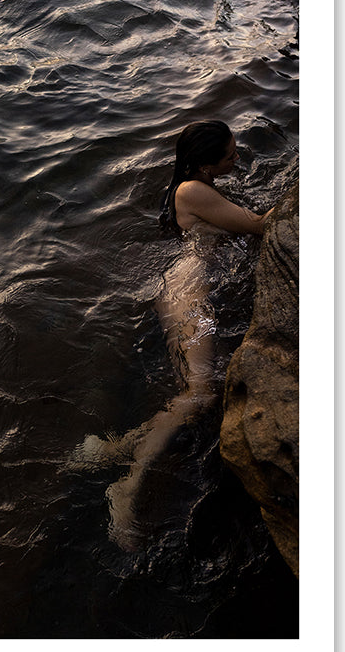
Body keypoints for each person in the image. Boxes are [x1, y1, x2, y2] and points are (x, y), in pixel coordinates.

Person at [106, 121, 273, 550]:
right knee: (199, 394)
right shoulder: (193, 190)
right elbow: (257, 226)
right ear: (204, 163)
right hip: (189, 291)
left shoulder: (190, 182)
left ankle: (116, 449)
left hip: (191, 285)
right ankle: (127, 485)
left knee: (200, 391)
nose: (238, 159)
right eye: (231, 155)